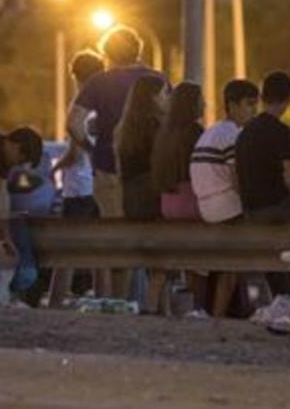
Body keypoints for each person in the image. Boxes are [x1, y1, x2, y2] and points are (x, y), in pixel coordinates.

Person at [68, 26, 167, 222]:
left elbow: (73, 123)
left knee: (113, 230)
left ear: (106, 53)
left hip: (108, 164)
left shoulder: (99, 82)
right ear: (138, 50)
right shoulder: (158, 80)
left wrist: (90, 148)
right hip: (150, 169)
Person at [235, 71, 290, 297]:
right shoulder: (281, 133)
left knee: (274, 261)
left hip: (251, 211)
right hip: (277, 211)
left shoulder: (245, 132)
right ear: (287, 100)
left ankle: (282, 298)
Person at [48, 51, 107, 306]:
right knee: (102, 255)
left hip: (77, 188)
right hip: (98, 186)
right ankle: (105, 301)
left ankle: (55, 303)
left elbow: (73, 153)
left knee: (66, 254)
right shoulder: (107, 105)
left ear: (76, 75)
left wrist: (53, 170)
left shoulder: (80, 106)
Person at [148, 82, 206, 313]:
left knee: (169, 257)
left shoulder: (165, 133)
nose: (205, 103)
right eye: (201, 99)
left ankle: (153, 305)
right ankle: (197, 308)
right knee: (200, 261)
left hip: (169, 202)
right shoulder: (195, 132)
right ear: (191, 104)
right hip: (190, 202)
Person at [191, 79, 260, 224]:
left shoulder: (210, 133)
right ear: (232, 106)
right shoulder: (232, 134)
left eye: (256, 104)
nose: (255, 110)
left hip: (206, 210)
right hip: (228, 209)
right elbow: (237, 179)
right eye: (249, 104)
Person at [115, 74, 168, 223]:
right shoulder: (155, 125)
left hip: (130, 196)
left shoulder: (126, 128)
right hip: (151, 195)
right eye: (164, 93)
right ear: (153, 97)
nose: (168, 99)